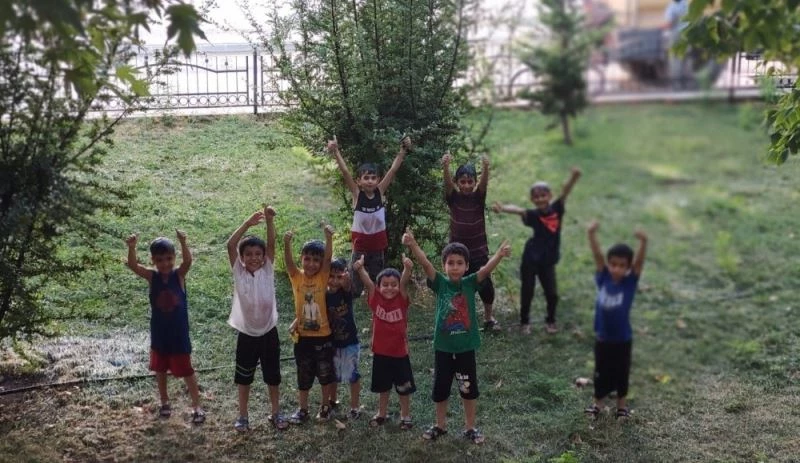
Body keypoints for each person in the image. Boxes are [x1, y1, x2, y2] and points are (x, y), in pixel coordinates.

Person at [402, 228, 511, 444]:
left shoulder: (470, 283)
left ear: (466, 266)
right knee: (441, 389)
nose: (454, 267)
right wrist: (413, 244)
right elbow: (425, 264)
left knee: (468, 388)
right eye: (450, 262)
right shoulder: (440, 283)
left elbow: (486, 270)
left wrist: (498, 255)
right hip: (443, 348)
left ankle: (470, 427)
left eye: (459, 263)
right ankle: (440, 426)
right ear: (444, 265)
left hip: (465, 348)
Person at [124, 230, 205, 424]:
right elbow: (134, 266)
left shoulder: (179, 275)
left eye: (169, 258)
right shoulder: (153, 277)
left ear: (174, 257)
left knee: (187, 370)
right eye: (160, 260)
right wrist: (132, 248)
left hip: (179, 334)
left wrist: (184, 242)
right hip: (160, 334)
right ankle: (164, 402)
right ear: (153, 260)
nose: (165, 263)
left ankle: (196, 405)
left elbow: (187, 263)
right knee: (160, 369)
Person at [492, 167, 581, 335]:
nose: (540, 199)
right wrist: (503, 208)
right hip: (531, 258)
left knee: (552, 293)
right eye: (536, 197)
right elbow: (519, 210)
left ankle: (551, 321)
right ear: (532, 199)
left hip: (548, 260)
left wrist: (574, 177)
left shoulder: (557, 208)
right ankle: (524, 322)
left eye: (543, 195)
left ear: (550, 196)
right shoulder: (533, 214)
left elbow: (566, 191)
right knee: (528, 291)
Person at [225, 206, 288, 432]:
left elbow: (271, 244)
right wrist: (247, 224)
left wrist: (270, 221)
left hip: (269, 332)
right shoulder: (239, 272)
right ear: (241, 258)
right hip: (247, 335)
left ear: (264, 258)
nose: (254, 258)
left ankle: (276, 413)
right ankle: (243, 416)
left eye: (258, 254)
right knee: (244, 379)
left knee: (273, 377)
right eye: (249, 254)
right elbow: (230, 245)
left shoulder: (268, 269)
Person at [327, 134, 411, 296]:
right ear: (359, 181)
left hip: (378, 248)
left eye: (374, 178)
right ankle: (346, 301)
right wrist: (336, 151)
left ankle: (378, 302)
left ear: (378, 179)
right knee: (355, 287)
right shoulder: (357, 195)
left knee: (378, 282)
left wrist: (403, 150)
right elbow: (345, 171)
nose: (370, 181)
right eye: (366, 178)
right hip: (360, 248)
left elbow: (393, 170)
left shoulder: (380, 192)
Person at [584, 220, 648, 420]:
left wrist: (643, 243)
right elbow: (597, 255)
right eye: (613, 264)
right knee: (600, 372)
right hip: (603, 338)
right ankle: (598, 404)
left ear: (628, 268)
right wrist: (591, 234)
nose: (616, 269)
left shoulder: (629, 283)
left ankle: (622, 406)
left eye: (622, 266)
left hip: (622, 339)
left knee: (621, 372)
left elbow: (639, 263)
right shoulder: (603, 278)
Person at [353, 253, 415, 430]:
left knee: (404, 387)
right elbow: (368, 283)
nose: (390, 288)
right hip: (381, 353)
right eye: (385, 285)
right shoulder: (375, 299)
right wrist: (360, 268)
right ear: (379, 288)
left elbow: (403, 282)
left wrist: (407, 269)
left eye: (393, 285)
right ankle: (382, 413)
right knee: (383, 386)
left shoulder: (401, 299)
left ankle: (405, 415)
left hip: (400, 353)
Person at [284, 224, 336, 424]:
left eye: (316, 260)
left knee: (324, 374)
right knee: (303, 375)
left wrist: (329, 238)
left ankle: (325, 407)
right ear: (301, 259)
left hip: (323, 337)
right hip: (303, 339)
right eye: (307, 259)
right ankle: (303, 409)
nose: (311, 263)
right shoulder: (296, 277)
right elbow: (288, 263)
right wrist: (286, 243)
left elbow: (329, 259)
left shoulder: (323, 277)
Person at [442, 152, 499, 331]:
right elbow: (447, 184)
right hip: (458, 253)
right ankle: (459, 319)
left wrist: (486, 168)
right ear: (457, 183)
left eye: (470, 182)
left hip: (478, 251)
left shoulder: (478, 198)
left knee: (485, 285)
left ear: (474, 183)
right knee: (457, 287)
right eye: (462, 182)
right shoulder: (454, 198)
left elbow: (484, 184)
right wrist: (445, 167)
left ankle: (489, 318)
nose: (466, 185)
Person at [325, 257, 362, 420]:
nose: (334, 281)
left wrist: (347, 279)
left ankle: (354, 407)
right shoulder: (323, 294)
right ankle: (332, 401)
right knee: (332, 375)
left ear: (345, 276)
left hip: (349, 342)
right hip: (330, 342)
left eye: (338, 277)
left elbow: (348, 286)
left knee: (352, 375)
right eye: (331, 276)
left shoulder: (345, 291)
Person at [663, 0, 690, 88]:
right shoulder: (686, 4)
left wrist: (658, 28)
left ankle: (676, 86)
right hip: (688, 34)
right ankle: (688, 85)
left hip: (676, 34)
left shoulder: (673, 6)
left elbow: (670, 23)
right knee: (687, 59)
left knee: (675, 60)